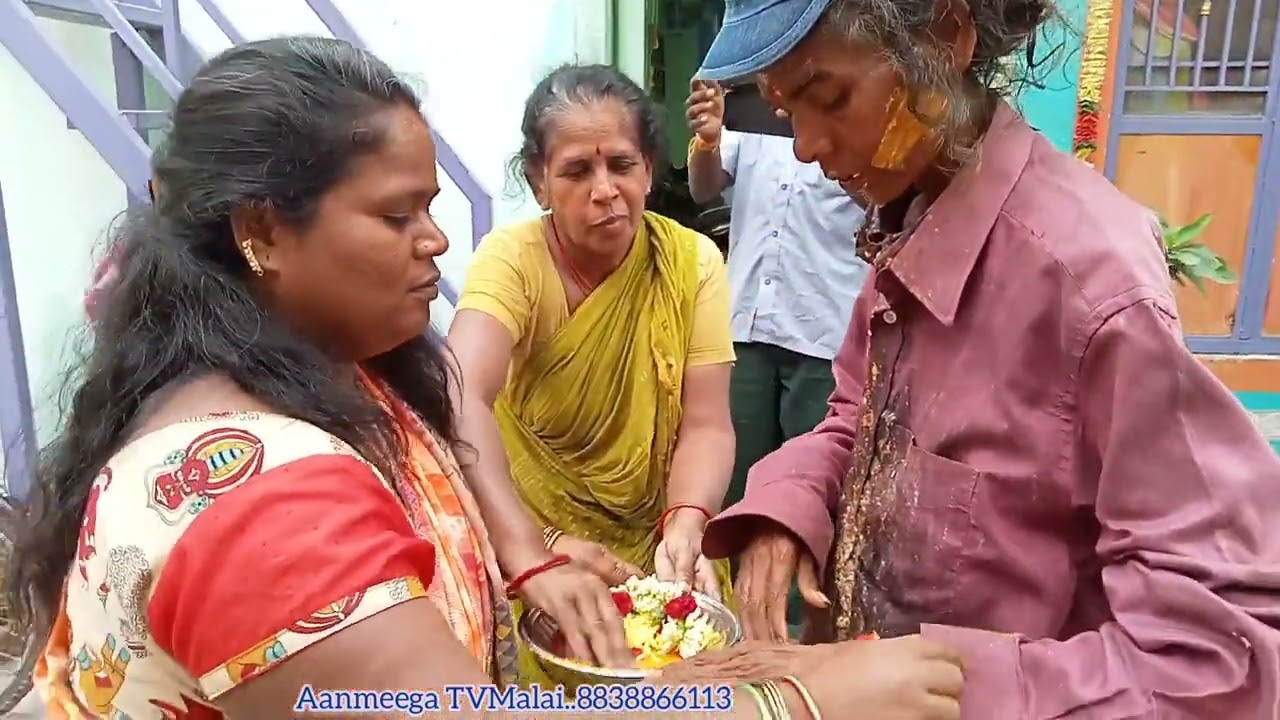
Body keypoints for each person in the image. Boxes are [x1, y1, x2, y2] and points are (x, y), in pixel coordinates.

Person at [3, 37, 636, 718]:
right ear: (263, 232)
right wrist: (755, 695)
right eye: (398, 216)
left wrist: (527, 552)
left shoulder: (335, 367)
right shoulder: (255, 500)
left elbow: (453, 401)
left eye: (429, 207)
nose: (437, 240)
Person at [689, 0, 1280, 717]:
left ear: (946, 36)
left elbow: (1215, 660)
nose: (807, 147)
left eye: (829, 98)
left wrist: (927, 684)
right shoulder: (906, 215)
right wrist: (787, 508)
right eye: (785, 110)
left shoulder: (1094, 284)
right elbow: (855, 417)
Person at [447, 64, 738, 686]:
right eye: (578, 170)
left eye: (622, 166)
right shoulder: (515, 260)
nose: (605, 189)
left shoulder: (692, 263)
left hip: (662, 555)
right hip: (542, 553)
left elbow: (708, 424)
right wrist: (534, 547)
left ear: (650, 170)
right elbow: (460, 392)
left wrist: (687, 520)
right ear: (539, 180)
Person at [684, 75, 868, 637]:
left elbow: (876, 201)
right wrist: (708, 141)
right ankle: (724, 624)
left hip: (823, 334)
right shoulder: (753, 106)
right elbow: (702, 190)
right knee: (737, 489)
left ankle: (790, 637)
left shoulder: (840, 114)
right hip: (745, 327)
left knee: (801, 502)